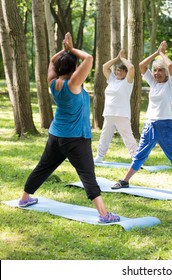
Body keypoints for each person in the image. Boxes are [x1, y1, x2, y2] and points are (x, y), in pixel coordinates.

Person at [18, 33, 120, 223]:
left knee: (43, 167)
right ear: (74, 68)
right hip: (76, 138)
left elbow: (51, 60)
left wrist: (64, 52)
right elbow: (89, 58)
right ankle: (104, 214)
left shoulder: (52, 83)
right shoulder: (73, 83)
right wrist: (70, 49)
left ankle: (24, 199)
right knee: (87, 174)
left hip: (56, 135)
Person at [111, 41, 172, 200]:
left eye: (160, 71)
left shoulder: (170, 83)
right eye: (155, 70)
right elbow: (142, 66)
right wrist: (156, 53)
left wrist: (162, 54)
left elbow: (170, 66)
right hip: (150, 125)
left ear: (165, 73)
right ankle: (125, 181)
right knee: (139, 155)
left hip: (165, 126)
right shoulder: (153, 84)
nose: (156, 73)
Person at [94, 49, 138, 163]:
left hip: (121, 114)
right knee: (104, 136)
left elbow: (132, 68)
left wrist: (123, 58)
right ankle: (99, 157)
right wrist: (117, 58)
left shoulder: (128, 82)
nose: (119, 72)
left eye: (122, 71)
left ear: (125, 73)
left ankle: (136, 158)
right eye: (117, 70)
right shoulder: (112, 79)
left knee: (128, 137)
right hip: (109, 114)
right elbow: (104, 66)